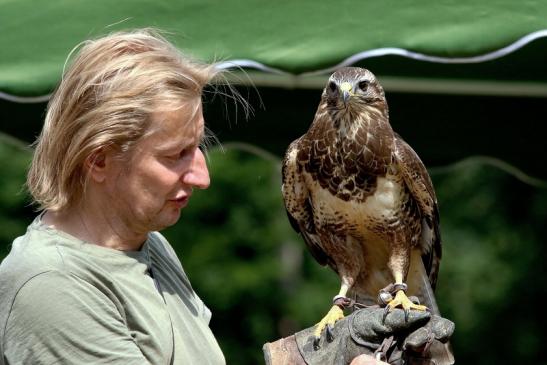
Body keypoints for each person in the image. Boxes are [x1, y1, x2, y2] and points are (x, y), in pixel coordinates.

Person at [0, 29, 225, 364]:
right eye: (175, 154)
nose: (202, 177)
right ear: (99, 160)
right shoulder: (52, 285)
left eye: (197, 147)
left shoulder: (148, 244)